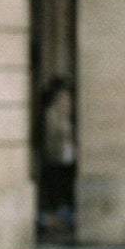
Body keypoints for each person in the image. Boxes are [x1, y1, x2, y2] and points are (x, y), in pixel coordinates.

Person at [38, 75, 76, 234]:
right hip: (57, 158)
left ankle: (62, 217)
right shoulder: (53, 114)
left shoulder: (65, 116)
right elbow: (52, 138)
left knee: (63, 189)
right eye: (65, 97)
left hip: (66, 158)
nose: (68, 101)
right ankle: (57, 219)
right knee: (58, 189)